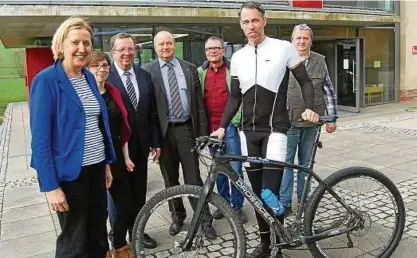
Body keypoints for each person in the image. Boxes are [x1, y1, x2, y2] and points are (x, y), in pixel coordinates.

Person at [211, 2, 319, 258]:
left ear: (264, 20)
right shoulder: (237, 57)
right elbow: (235, 98)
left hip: (276, 132)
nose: (251, 26)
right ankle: (265, 245)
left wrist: (309, 107)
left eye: (255, 20)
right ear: (241, 25)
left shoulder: (284, 49)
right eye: (246, 22)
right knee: (257, 195)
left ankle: (279, 244)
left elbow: (305, 82)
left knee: (269, 193)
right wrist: (222, 127)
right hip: (248, 133)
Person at [29, 17, 116, 258]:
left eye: (86, 43)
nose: (82, 48)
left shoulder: (87, 77)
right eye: (75, 42)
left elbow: (96, 124)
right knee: (74, 243)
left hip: (97, 168)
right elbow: (40, 139)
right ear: (61, 45)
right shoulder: (46, 81)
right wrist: (51, 186)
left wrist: (107, 163)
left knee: (98, 234)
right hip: (69, 175)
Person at [142, 30, 217, 239]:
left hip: (186, 130)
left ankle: (204, 220)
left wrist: (202, 133)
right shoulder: (147, 71)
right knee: (170, 180)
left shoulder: (189, 68)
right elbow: (149, 111)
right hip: (164, 135)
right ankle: (177, 217)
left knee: (194, 178)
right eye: (161, 44)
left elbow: (199, 105)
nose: (165, 47)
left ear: (175, 45)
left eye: (169, 43)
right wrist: (153, 141)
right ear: (155, 47)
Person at [107, 32, 160, 249]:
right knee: (119, 198)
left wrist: (156, 142)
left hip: (141, 147)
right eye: (122, 49)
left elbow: (152, 113)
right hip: (117, 150)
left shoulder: (144, 75)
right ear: (113, 52)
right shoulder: (104, 77)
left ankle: (137, 232)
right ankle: (117, 239)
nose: (127, 53)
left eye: (130, 48)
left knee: (139, 195)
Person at [279, 24, 338, 216]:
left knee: (306, 165)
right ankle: (285, 202)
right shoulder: (283, 60)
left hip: (313, 123)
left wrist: (332, 118)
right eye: (298, 38)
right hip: (288, 122)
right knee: (286, 164)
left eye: (305, 38)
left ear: (311, 41)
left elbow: (328, 90)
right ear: (292, 40)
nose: (302, 41)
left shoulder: (320, 61)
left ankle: (304, 201)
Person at [86, 50, 137, 258]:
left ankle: (119, 246)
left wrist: (125, 157)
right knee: (99, 210)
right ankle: (102, 250)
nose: (101, 69)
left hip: (115, 156)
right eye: (96, 66)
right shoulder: (87, 95)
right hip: (94, 158)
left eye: (105, 65)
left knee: (125, 204)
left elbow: (121, 128)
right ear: (88, 69)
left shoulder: (113, 91)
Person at [197, 36, 248, 224]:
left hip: (229, 128)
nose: (213, 51)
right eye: (209, 49)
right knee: (218, 169)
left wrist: (231, 123)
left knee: (235, 169)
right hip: (211, 130)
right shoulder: (200, 73)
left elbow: (239, 98)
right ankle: (224, 204)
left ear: (223, 51)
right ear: (205, 52)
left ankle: (237, 206)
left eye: (217, 48)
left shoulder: (232, 71)